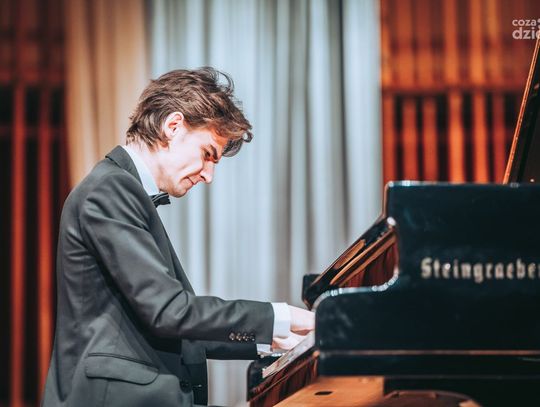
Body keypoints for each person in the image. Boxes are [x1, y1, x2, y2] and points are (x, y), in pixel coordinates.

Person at [42, 68, 314, 407]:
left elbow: (171, 324)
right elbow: (169, 312)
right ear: (173, 126)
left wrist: (278, 338)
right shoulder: (109, 189)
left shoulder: (121, 189)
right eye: (207, 154)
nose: (209, 175)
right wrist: (283, 317)